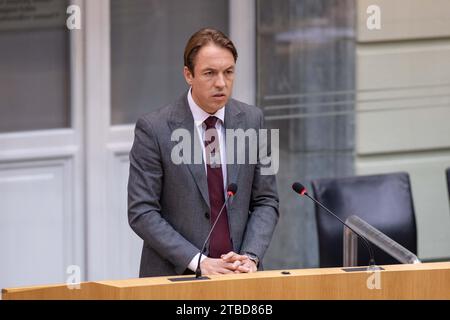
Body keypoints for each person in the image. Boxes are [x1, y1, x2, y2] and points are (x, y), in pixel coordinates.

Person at [127, 28, 279, 277]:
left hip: (240, 276)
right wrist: (199, 261)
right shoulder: (153, 129)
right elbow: (141, 212)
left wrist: (250, 256)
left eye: (228, 72)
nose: (221, 83)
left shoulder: (254, 120)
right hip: (176, 278)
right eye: (209, 73)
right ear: (189, 74)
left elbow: (267, 200)